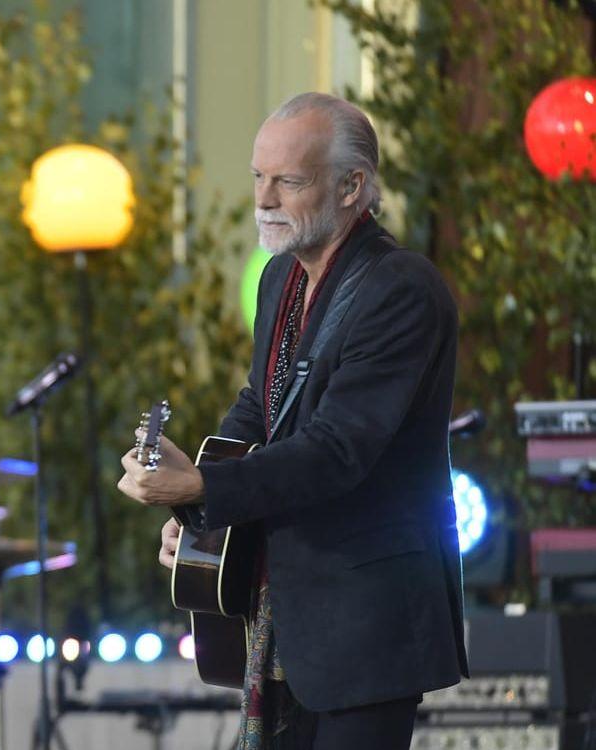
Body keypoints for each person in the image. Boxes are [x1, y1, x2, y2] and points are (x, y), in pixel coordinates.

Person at [115, 92, 467, 749]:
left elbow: (337, 449)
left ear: (352, 187)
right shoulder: (282, 277)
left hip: (368, 626)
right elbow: (263, 405)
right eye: (257, 177)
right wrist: (197, 513)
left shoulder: (402, 290)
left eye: (289, 180)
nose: (265, 198)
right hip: (285, 618)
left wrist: (203, 491)